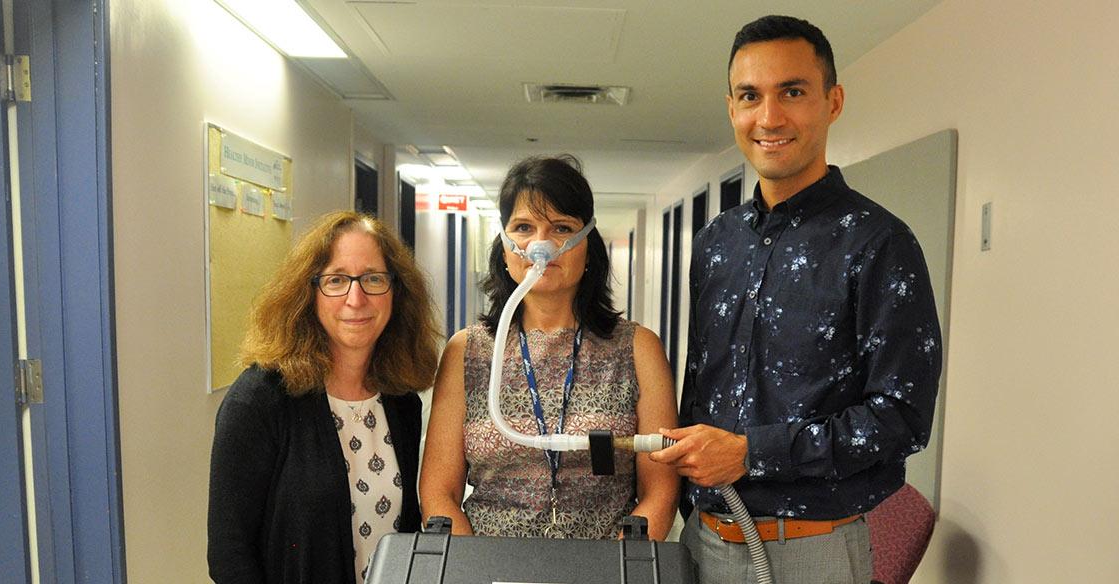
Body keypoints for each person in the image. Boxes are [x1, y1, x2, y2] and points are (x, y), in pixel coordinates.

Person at [649, 15, 943, 584]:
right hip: (703, 542)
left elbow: (902, 417)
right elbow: (703, 387)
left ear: (833, 101)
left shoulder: (878, 242)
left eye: (792, 92)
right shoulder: (716, 242)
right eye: (749, 96)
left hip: (813, 553)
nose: (769, 117)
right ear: (731, 108)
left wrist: (752, 453)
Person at [420, 155, 679, 540]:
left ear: (587, 246)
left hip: (607, 565)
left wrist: (618, 571)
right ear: (505, 247)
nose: (540, 244)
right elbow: (438, 493)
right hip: (490, 568)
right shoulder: (467, 351)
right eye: (523, 227)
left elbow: (660, 492)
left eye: (561, 227)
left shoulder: (638, 349)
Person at [207, 211, 441, 584]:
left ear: (396, 290)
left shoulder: (401, 401)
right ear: (308, 292)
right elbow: (229, 557)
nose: (356, 297)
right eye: (336, 280)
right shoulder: (258, 402)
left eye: (373, 279)